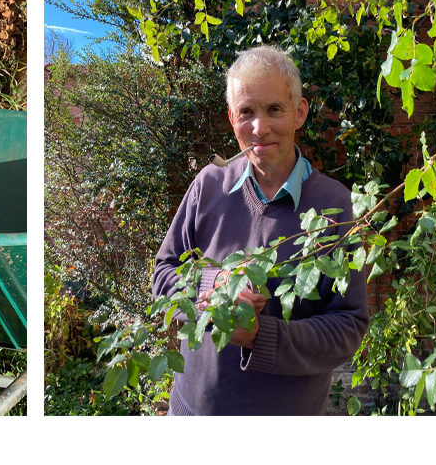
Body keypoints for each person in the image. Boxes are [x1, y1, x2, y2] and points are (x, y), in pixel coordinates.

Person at [151, 45, 369, 415]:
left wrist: (258, 336)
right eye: (246, 112)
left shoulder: (339, 208)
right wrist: (213, 286)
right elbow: (164, 273)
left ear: (299, 113)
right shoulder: (209, 186)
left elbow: (348, 326)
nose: (259, 128)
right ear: (231, 117)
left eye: (274, 110)